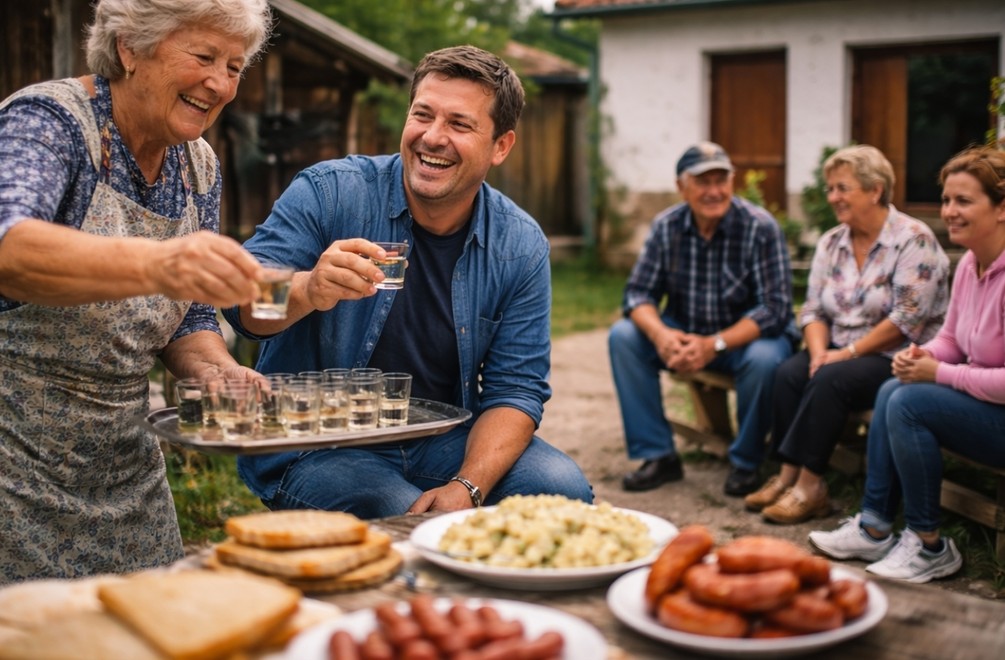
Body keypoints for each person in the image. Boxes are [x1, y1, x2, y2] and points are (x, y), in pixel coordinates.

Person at [221, 45, 593, 519]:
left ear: (501, 146)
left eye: (459, 124)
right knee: (402, 516)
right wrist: (307, 289)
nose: (432, 138)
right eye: (423, 115)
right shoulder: (330, 192)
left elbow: (514, 389)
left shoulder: (520, 245)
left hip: (442, 439)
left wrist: (467, 485)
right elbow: (242, 306)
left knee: (563, 493)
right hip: (316, 441)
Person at [0, 0, 273, 585]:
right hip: (13, 466)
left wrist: (218, 372)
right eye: (203, 57)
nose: (220, 84)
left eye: (234, 66)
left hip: (128, 476)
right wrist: (163, 262)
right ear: (129, 47)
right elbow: (9, 249)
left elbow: (188, 315)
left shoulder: (197, 165)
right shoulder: (48, 122)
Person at [809, 145, 1005, 583]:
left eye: (964, 201)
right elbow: (953, 337)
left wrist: (941, 373)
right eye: (947, 200)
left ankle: (929, 543)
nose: (949, 211)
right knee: (892, 389)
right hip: (989, 407)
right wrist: (926, 354)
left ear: (1002, 209)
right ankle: (876, 526)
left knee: (909, 402)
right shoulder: (973, 262)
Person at [745, 145, 951, 524]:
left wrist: (844, 354)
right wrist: (821, 351)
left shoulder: (913, 239)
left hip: (897, 356)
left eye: (842, 188)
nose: (833, 197)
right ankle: (787, 475)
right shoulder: (832, 241)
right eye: (830, 189)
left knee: (831, 379)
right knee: (789, 372)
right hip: (839, 347)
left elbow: (906, 319)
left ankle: (811, 488)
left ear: (875, 190)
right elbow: (812, 310)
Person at [608, 142, 798, 496]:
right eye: (703, 182)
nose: (714, 191)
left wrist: (714, 345)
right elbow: (637, 294)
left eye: (721, 180)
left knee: (766, 358)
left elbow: (775, 309)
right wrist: (663, 335)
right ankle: (659, 456)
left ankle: (747, 461)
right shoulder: (667, 226)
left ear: (732, 182)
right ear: (682, 187)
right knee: (624, 337)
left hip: (744, 342)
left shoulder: (759, 227)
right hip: (686, 335)